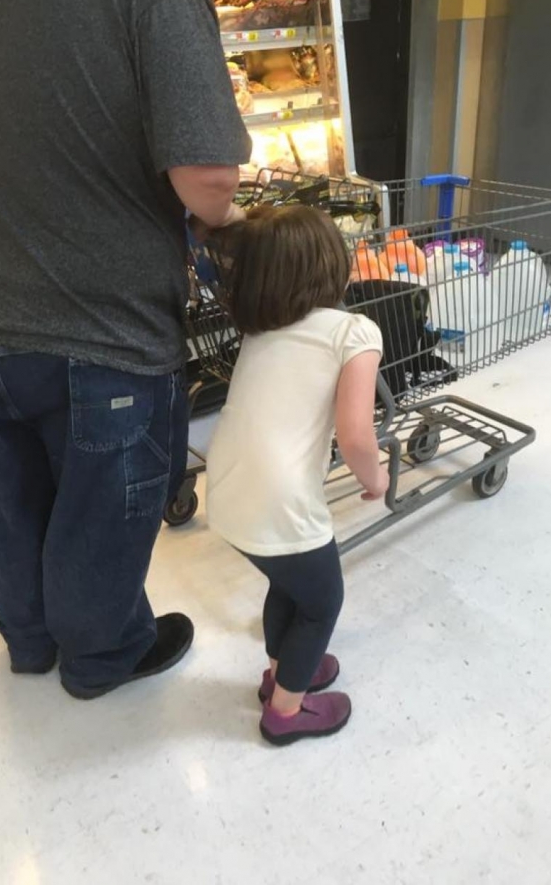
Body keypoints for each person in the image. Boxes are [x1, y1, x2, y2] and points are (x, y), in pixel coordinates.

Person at [0, 0, 251, 695]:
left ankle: (29, 643)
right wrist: (235, 223)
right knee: (101, 512)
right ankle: (105, 656)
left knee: (8, 499)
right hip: (101, 322)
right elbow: (206, 173)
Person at [206, 206, 388, 746]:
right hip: (280, 499)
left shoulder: (261, 332)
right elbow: (356, 435)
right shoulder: (354, 331)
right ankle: (286, 712)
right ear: (333, 263)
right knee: (321, 601)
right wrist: (376, 479)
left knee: (285, 582)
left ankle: (279, 671)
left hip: (227, 489)